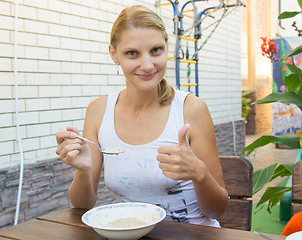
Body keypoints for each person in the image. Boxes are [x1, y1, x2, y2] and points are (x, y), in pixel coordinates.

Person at [55, 5, 228, 227]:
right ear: (113, 54)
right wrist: (82, 169)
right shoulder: (98, 111)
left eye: (156, 50)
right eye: (132, 53)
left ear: (167, 47)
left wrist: (200, 173)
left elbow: (217, 210)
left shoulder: (191, 109)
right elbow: (82, 206)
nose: (147, 65)